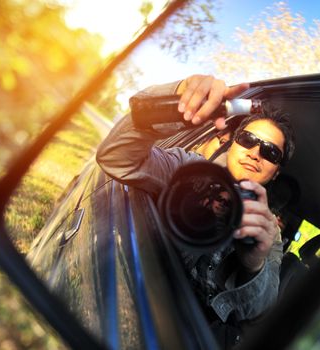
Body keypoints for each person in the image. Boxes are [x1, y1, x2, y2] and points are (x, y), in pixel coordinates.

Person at [96, 74, 295, 347]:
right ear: (233, 141)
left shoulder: (266, 230)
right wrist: (179, 99)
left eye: (270, 152)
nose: (255, 152)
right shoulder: (186, 169)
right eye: (248, 139)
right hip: (135, 293)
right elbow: (115, 157)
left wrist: (253, 264)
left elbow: (259, 309)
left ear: (275, 172)